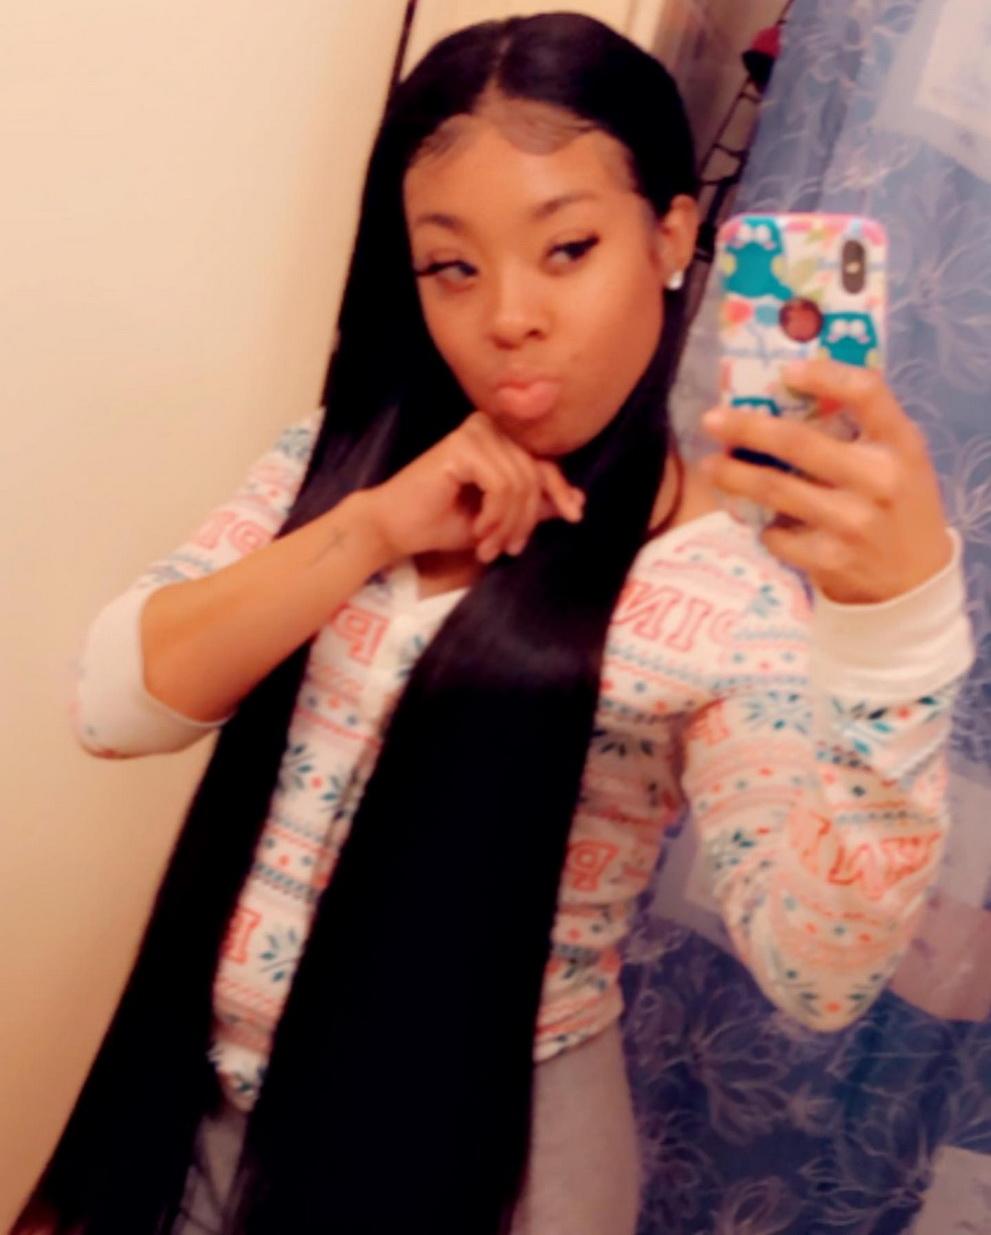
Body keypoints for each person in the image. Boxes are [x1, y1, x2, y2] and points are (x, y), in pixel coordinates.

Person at [18, 12, 974, 1235]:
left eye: (566, 248)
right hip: (202, 1117)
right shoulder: (335, 467)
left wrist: (894, 629)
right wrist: (370, 527)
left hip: (491, 1158)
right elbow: (113, 705)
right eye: (452, 266)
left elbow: (819, 966)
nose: (508, 315)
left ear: (671, 235)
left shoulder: (714, 587)